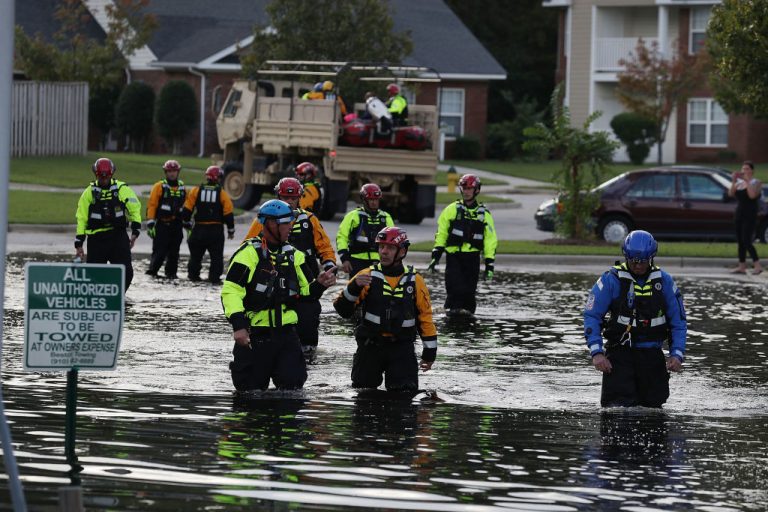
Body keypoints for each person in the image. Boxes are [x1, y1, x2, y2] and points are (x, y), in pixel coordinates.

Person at [221, 199, 337, 391]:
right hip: (255, 336)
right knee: (250, 394)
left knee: (293, 390)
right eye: (286, 223)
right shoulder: (248, 254)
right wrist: (238, 326)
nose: (291, 227)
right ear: (270, 224)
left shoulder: (295, 256)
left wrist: (320, 285)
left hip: (287, 336)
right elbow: (231, 292)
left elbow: (305, 293)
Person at [584, 230, 687, 408]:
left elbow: (678, 321)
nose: (638, 265)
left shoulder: (665, 282)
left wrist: (677, 354)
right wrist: (597, 353)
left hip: (652, 355)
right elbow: (592, 316)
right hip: (619, 355)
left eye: (643, 261)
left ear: (651, 258)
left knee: (654, 409)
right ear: (626, 257)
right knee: (616, 410)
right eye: (633, 261)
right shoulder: (610, 280)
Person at [243, 177, 337, 363]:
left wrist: (329, 265)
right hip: (274, 278)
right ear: (278, 196)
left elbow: (324, 246)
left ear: (300, 198)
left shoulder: (309, 219)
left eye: (293, 198)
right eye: (285, 198)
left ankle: (308, 352)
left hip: (305, 278)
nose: (289, 202)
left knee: (309, 314)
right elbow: (248, 245)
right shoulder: (264, 219)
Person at [333, 226, 437, 392]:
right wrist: (354, 287)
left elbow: (425, 318)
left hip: (402, 348)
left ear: (402, 251)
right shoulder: (366, 275)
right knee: (363, 393)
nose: (384, 252)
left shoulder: (415, 280)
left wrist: (429, 353)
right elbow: (342, 311)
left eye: (390, 248)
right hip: (370, 347)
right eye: (381, 247)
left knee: (404, 395)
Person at [428, 174, 498, 316]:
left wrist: (489, 263)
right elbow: (442, 233)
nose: (466, 192)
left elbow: (490, 240)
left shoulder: (484, 214)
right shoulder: (451, 209)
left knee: (469, 293)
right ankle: (451, 317)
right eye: (464, 188)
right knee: (454, 288)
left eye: (469, 189)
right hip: (454, 256)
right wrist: (436, 255)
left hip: (472, 258)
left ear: (477, 190)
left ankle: (467, 320)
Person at [74, 157, 141, 291]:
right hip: (96, 239)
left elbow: (134, 208)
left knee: (126, 272)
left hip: (118, 237)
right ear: (96, 175)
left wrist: (135, 231)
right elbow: (81, 218)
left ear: (111, 174)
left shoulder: (122, 189)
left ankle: (118, 296)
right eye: (101, 177)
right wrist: (79, 242)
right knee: (94, 276)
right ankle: (99, 298)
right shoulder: (88, 193)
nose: (104, 179)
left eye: (106, 176)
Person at [181, 165, 235, 283]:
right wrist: (231, 230)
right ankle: (214, 279)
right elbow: (228, 214)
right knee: (216, 258)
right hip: (215, 231)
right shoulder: (222, 193)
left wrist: (186, 223)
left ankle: (193, 278)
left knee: (195, 258)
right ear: (219, 178)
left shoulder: (196, 190)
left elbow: (187, 209)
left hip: (198, 230)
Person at [337, 183, 394, 277]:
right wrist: (344, 259)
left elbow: (393, 241)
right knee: (356, 287)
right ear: (364, 200)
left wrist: (392, 261)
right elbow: (342, 237)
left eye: (376, 200)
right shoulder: (353, 216)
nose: (374, 203)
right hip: (356, 261)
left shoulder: (386, 217)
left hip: (380, 262)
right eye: (371, 200)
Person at [145, 159, 186, 278]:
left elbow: (187, 206)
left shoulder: (182, 188)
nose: (172, 173)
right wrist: (150, 223)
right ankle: (152, 274)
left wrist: (188, 223)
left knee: (174, 254)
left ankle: (171, 276)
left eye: (174, 171)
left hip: (177, 226)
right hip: (162, 225)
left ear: (178, 172)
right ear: (165, 172)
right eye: (169, 171)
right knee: (159, 253)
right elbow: (152, 205)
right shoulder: (159, 186)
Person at [728, 160, 763, 275]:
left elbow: (752, 196)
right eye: (743, 169)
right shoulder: (739, 183)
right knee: (740, 241)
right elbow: (730, 194)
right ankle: (741, 266)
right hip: (740, 213)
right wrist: (734, 181)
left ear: (752, 171)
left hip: (750, 214)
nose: (744, 171)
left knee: (747, 240)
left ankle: (757, 266)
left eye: (747, 169)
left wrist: (747, 182)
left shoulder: (756, 182)